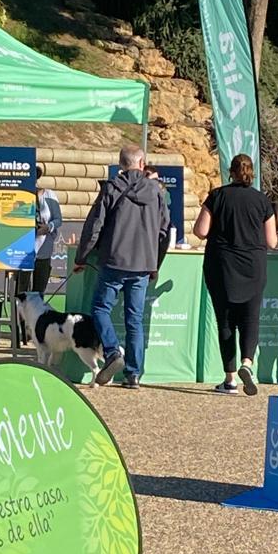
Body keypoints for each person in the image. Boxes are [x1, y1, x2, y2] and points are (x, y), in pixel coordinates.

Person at [74, 144, 170, 389]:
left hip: (114, 260)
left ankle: (112, 351)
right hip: (142, 264)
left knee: (100, 308)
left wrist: (82, 257)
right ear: (141, 163)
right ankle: (133, 374)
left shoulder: (111, 188)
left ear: (120, 165)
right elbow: (164, 230)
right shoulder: (157, 191)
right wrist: (155, 263)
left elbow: (94, 225)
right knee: (134, 319)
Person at [193, 153, 278, 396]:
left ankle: (229, 379)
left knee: (226, 321)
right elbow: (271, 241)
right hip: (253, 265)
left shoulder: (217, 196)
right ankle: (248, 363)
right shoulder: (262, 200)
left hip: (221, 266)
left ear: (230, 171)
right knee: (251, 318)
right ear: (252, 173)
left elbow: (201, 231)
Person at [18, 166, 63, 296]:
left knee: (39, 291)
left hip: (44, 249)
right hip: (23, 250)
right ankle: (21, 316)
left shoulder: (49, 194)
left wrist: (48, 227)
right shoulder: (19, 196)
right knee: (22, 291)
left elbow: (58, 219)